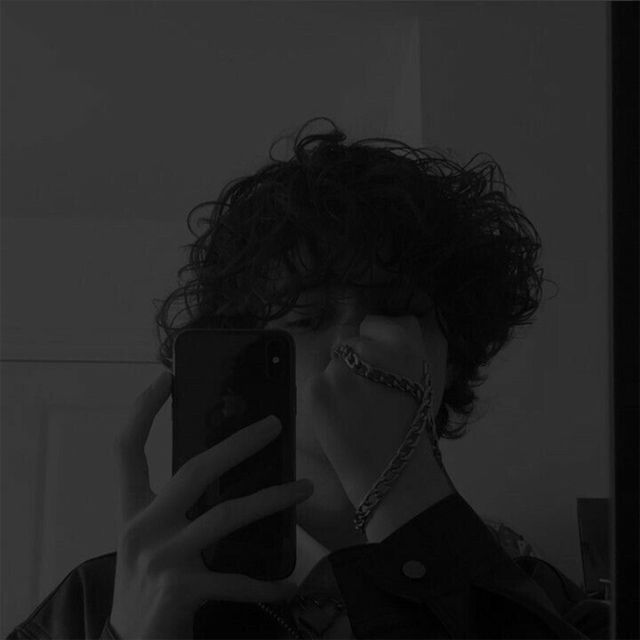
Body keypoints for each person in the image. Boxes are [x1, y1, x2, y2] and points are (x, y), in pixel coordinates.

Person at [7, 118, 610, 639]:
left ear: (452, 358)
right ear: (247, 359)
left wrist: (407, 497)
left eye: (398, 310)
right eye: (306, 318)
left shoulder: (543, 602)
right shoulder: (95, 602)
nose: (352, 343)